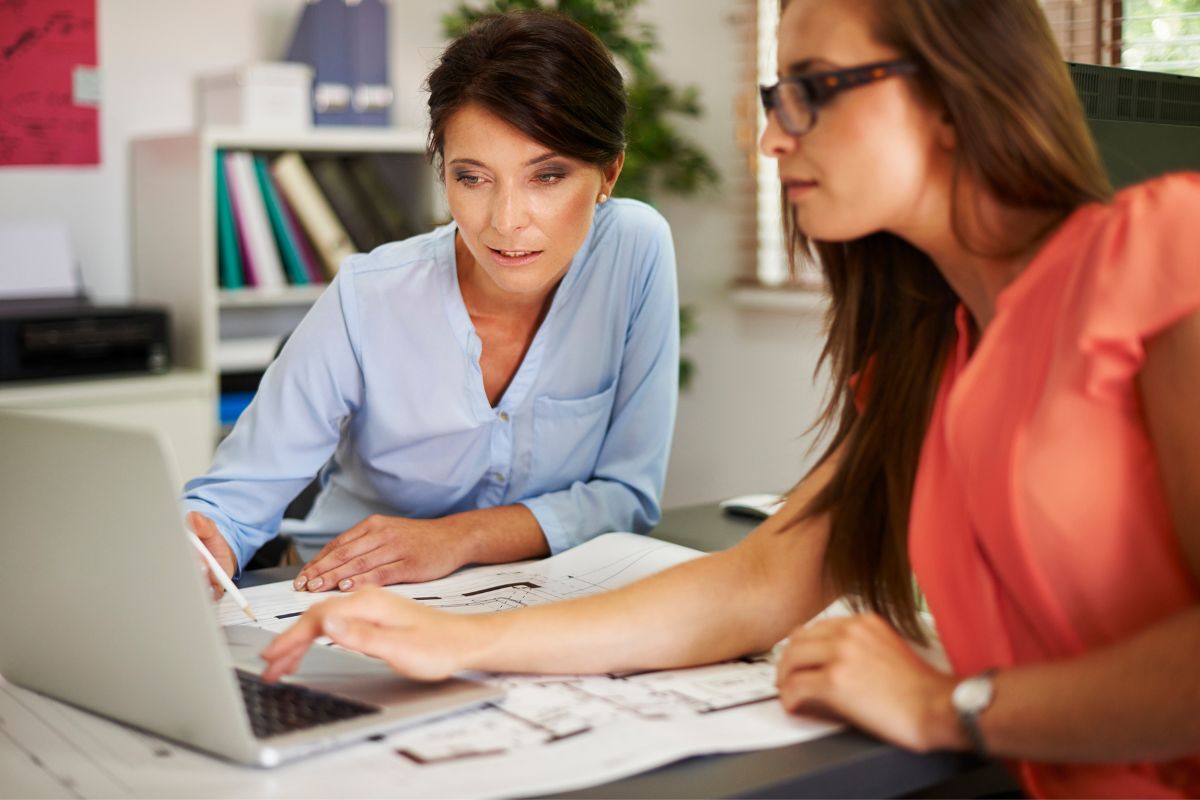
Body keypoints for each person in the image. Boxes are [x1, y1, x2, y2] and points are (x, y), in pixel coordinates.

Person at [259, 0, 1200, 796]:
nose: (769, 137)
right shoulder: (929, 358)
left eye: (814, 89)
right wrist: (456, 638)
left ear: (953, 90)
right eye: (773, 95)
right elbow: (754, 585)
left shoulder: (1164, 255)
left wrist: (948, 702)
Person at [184, 11, 679, 596]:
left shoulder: (635, 251)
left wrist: (458, 537)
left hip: (535, 596)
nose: (506, 222)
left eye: (547, 176)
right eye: (473, 178)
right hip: (344, 593)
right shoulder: (369, 295)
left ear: (608, 174)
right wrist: (206, 540)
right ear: (443, 175)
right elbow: (235, 502)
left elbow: (627, 494)